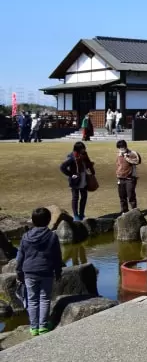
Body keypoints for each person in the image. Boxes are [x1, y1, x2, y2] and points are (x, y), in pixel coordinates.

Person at [15, 207, 62, 336]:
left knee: (32, 299)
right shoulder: (52, 236)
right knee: (45, 299)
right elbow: (57, 256)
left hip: (29, 272)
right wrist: (58, 271)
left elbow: (20, 257)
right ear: (48, 220)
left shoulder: (25, 237)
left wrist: (19, 272)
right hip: (46, 271)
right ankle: (43, 326)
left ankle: (34, 327)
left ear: (33, 221)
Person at [60, 142, 95, 221]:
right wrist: (71, 174)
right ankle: (76, 215)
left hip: (84, 178)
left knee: (84, 197)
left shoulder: (85, 155)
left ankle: (82, 214)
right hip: (75, 180)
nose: (84, 150)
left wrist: (91, 167)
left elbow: (87, 164)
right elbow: (62, 167)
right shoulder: (72, 156)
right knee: (75, 198)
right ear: (78, 149)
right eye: (82, 148)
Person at [114, 139, 142, 215]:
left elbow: (138, 161)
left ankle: (134, 211)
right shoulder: (118, 155)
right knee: (122, 196)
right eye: (119, 148)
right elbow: (118, 165)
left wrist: (127, 158)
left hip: (130, 178)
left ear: (125, 146)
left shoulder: (132, 153)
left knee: (131, 195)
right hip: (121, 178)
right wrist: (118, 175)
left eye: (121, 147)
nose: (120, 149)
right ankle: (124, 211)